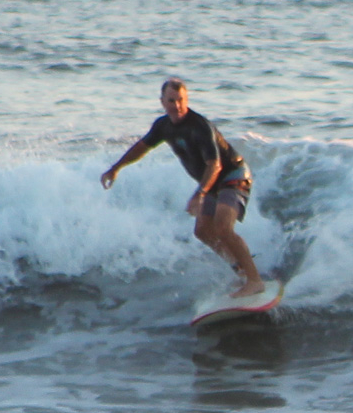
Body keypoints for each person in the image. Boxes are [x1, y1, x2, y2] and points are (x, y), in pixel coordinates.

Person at [100, 79, 264, 298]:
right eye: (171, 101)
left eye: (181, 101)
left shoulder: (199, 126)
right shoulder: (163, 126)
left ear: (186, 100)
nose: (176, 106)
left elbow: (214, 165)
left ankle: (255, 281)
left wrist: (201, 194)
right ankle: (241, 270)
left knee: (223, 226)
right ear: (162, 102)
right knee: (203, 231)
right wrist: (115, 168)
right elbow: (141, 147)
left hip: (232, 176)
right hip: (211, 182)